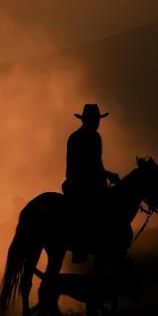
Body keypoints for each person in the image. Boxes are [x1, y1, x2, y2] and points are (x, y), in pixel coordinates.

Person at [62, 103, 120, 263]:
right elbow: (89, 165)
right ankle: (81, 247)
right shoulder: (86, 138)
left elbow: (97, 163)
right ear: (88, 120)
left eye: (97, 119)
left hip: (81, 182)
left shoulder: (85, 137)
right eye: (95, 119)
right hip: (80, 184)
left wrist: (104, 175)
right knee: (95, 211)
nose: (97, 122)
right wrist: (107, 174)